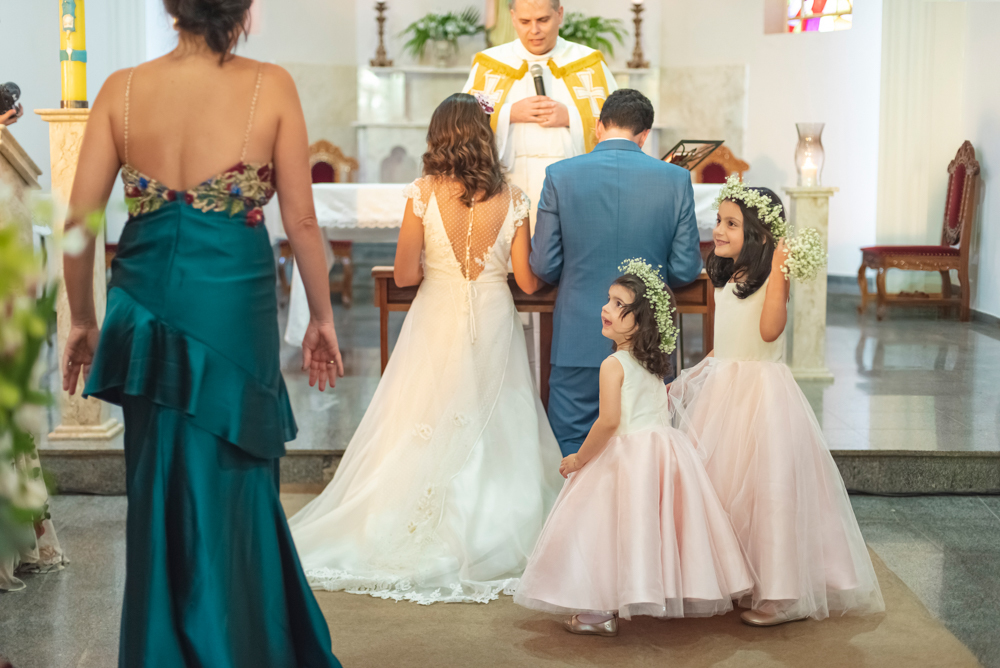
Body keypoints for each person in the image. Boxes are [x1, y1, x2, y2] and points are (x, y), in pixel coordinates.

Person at [61, 1, 343, 665]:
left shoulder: (121, 88)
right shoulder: (270, 84)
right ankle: (245, 644)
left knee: (156, 482)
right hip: (230, 307)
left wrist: (81, 317)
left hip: (144, 303)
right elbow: (301, 223)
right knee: (237, 481)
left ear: (169, 8)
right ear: (243, 9)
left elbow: (78, 224)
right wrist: (323, 317)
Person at [289, 93, 563, 605]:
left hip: (435, 314)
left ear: (439, 137)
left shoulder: (423, 192)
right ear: (485, 136)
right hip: (493, 316)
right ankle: (493, 526)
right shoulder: (515, 198)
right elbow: (526, 280)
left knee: (424, 415)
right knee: (495, 413)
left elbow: (408, 273)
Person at [669, 181, 885, 626]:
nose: (721, 230)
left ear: (761, 236)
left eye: (732, 224)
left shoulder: (770, 279)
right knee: (721, 489)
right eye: (720, 221)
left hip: (761, 396)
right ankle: (733, 576)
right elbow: (720, 345)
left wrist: (782, 274)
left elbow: (768, 333)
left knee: (768, 492)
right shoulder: (725, 279)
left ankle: (782, 593)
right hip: (724, 389)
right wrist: (693, 376)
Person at [514, 262, 752, 636]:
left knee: (605, 531)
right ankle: (656, 591)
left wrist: (579, 457)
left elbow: (608, 422)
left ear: (640, 322)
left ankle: (598, 611)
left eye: (618, 304)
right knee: (653, 528)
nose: (606, 309)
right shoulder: (653, 364)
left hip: (625, 457)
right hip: (662, 454)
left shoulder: (613, 364)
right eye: (608, 300)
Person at [531, 89, 702, 457]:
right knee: (643, 443)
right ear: (644, 135)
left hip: (578, 333)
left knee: (573, 448)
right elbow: (687, 268)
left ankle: (576, 514)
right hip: (647, 341)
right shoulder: (675, 179)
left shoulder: (560, 175)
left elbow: (543, 264)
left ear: (597, 127)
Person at [463, 0, 618, 384]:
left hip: (574, 196)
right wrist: (508, 113)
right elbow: (462, 124)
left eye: (544, 20)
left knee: (567, 283)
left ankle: (566, 376)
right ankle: (510, 379)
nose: (535, 30)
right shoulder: (490, 64)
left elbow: (619, 125)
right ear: (513, 18)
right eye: (526, 21)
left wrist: (570, 117)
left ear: (560, 15)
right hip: (508, 194)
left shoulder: (587, 63)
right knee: (512, 291)